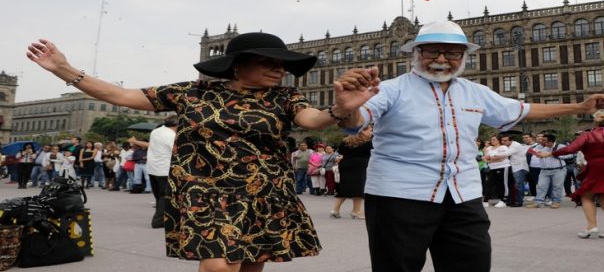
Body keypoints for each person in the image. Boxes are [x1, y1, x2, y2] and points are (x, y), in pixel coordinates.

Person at [27, 32, 372, 272]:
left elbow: (311, 119)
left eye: (283, 64)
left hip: (265, 191)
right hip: (205, 191)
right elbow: (122, 96)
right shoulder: (192, 94)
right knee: (221, 263)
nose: (279, 69)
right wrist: (64, 69)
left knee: (252, 260)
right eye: (268, 61)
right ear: (237, 64)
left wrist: (339, 109)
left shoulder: (283, 98)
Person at [329, 21, 604, 272]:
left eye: (452, 53)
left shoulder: (475, 92)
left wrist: (578, 106)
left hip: (463, 195)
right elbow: (356, 121)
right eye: (432, 51)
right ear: (416, 54)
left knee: (471, 262)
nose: (441, 59)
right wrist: (345, 108)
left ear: (463, 57)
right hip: (399, 195)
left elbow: (521, 109)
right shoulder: (392, 89)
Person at [538, 111, 604, 238]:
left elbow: (571, 149)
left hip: (598, 165)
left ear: (595, 122)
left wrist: (550, 154)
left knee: (586, 195)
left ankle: (591, 227)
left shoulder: (588, 135)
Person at [129, 115, 178, 228]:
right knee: (164, 196)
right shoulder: (171, 135)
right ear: (176, 125)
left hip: (152, 168)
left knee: (159, 196)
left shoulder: (156, 131)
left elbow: (153, 146)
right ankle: (158, 221)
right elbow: (176, 151)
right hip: (164, 169)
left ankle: (165, 218)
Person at [330, 126, 373, 219]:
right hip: (360, 166)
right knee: (359, 188)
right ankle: (356, 211)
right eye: (370, 131)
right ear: (363, 131)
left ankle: (335, 210)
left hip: (345, 165)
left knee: (343, 187)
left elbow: (341, 152)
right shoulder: (368, 142)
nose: (371, 133)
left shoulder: (345, 141)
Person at [483, 136, 512, 208]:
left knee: (503, 184)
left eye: (494, 139)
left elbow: (501, 159)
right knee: (489, 183)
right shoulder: (489, 148)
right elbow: (485, 158)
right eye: (491, 139)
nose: (492, 141)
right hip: (492, 168)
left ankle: (504, 201)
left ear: (498, 140)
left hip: (503, 167)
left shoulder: (503, 147)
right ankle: (485, 201)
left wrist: (490, 158)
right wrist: (492, 158)